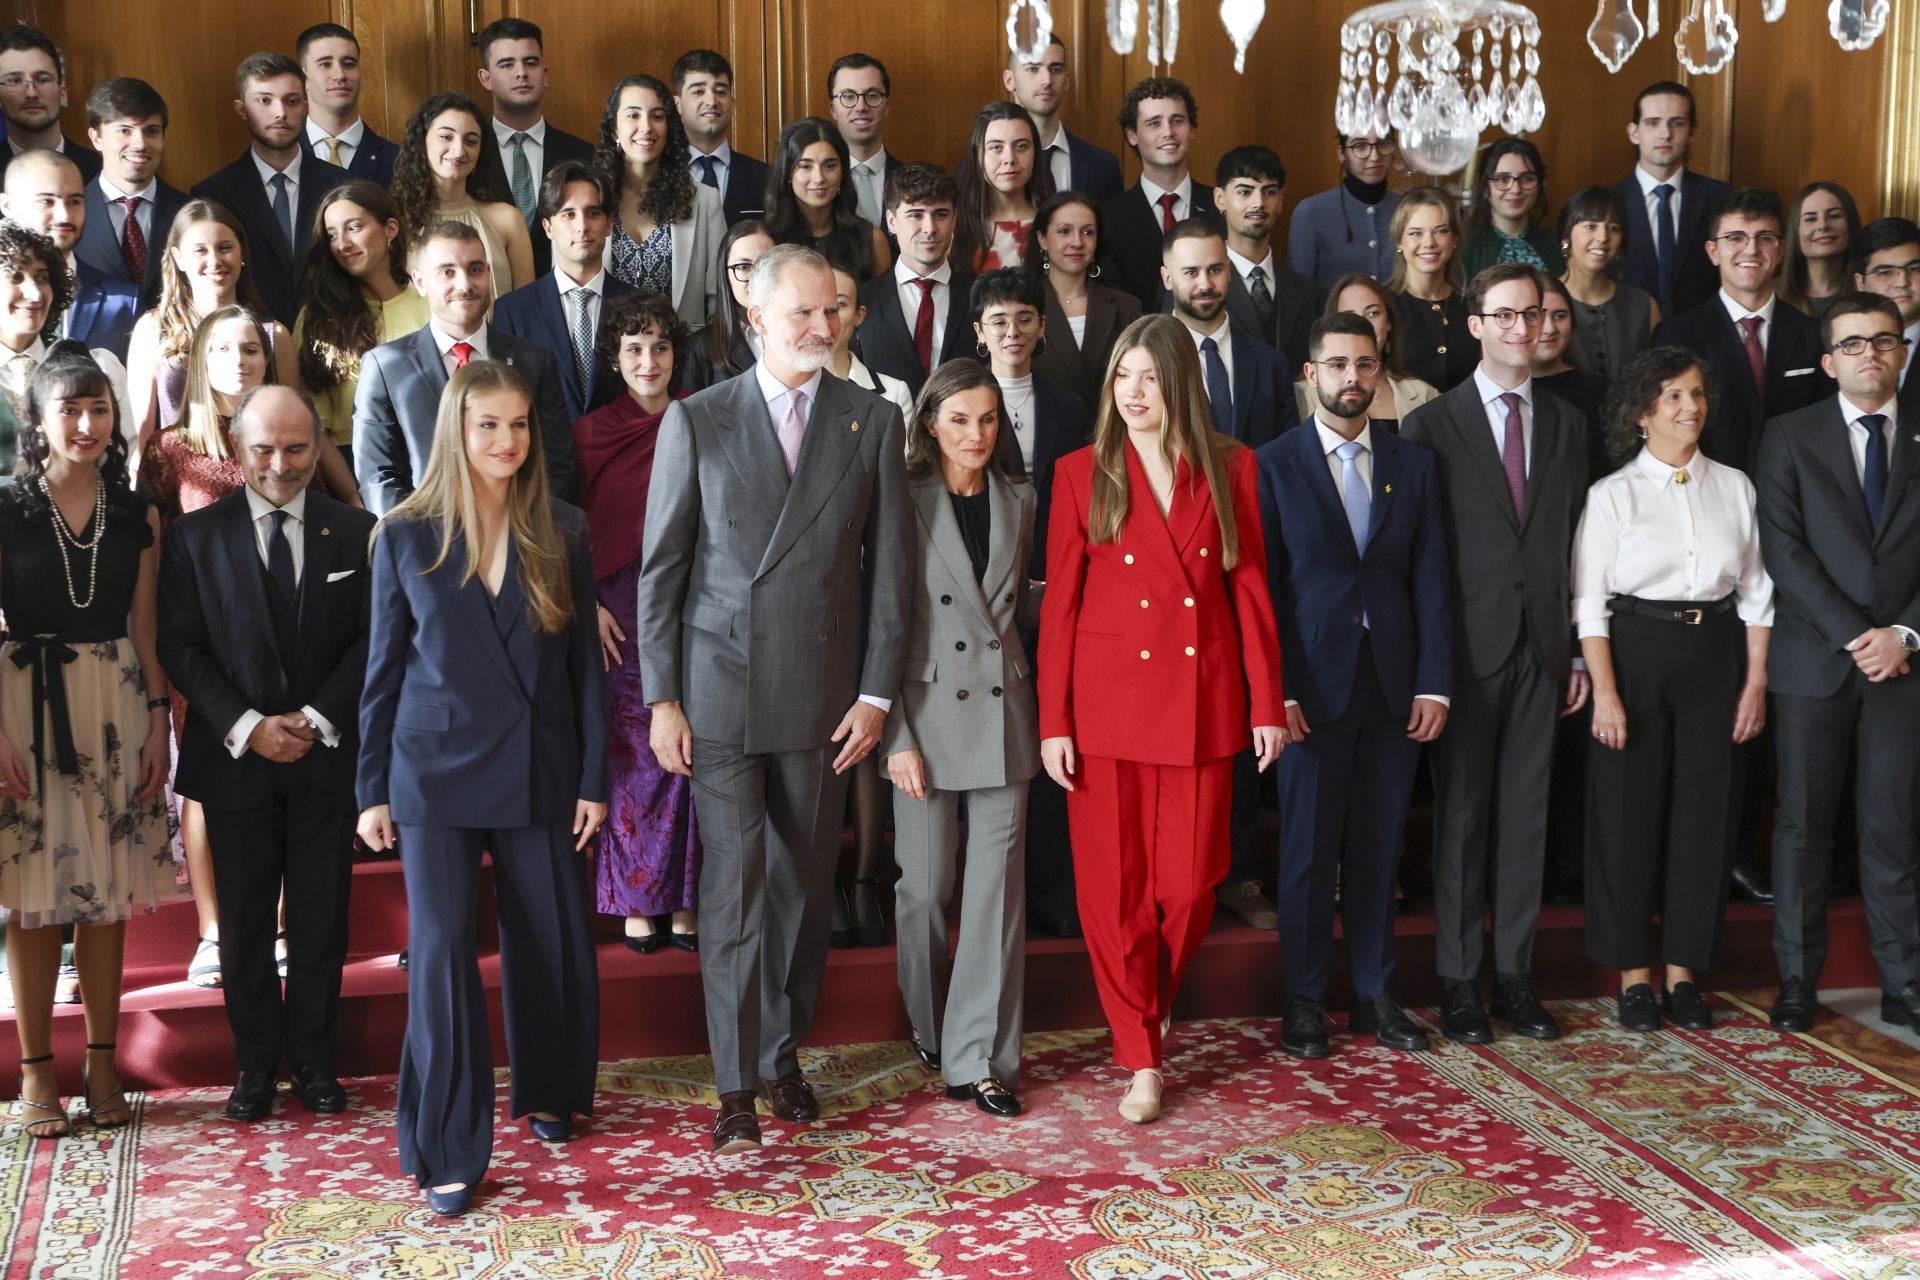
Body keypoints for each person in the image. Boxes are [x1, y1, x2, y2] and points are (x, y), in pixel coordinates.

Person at [635, 244, 912, 1155]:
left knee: (799, 892)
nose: (821, 329)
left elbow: (890, 579)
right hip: (719, 696)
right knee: (735, 888)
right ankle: (734, 1084)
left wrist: (876, 696)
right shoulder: (698, 420)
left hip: (825, 700)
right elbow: (662, 574)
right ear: (753, 316)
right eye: (800, 314)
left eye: (831, 311)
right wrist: (663, 698)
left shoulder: (871, 421)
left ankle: (783, 1055)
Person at [356, 359, 604, 1214]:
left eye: (521, 424)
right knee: (442, 955)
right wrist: (371, 788)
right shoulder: (405, 533)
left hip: (539, 761)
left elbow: (583, 678)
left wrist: (595, 779)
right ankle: (451, 1145)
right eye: (489, 425)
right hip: (434, 771)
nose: (508, 440)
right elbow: (382, 673)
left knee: (553, 936)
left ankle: (549, 1091)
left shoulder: (563, 529)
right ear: (457, 432)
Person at [1038, 313, 1283, 1123]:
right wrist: (1054, 721)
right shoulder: (1081, 471)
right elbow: (1060, 610)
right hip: (1105, 707)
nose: (1133, 393)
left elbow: (1249, 590)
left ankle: (1150, 999)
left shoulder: (1232, 465)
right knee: (1113, 895)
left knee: (1187, 883)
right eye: (1122, 377)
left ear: (1179, 381)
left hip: (1201, 705)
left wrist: (1266, 699)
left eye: (1147, 377)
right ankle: (1141, 1055)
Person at [156, 384, 374, 1119]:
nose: (280, 465)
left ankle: (314, 1060)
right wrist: (249, 724)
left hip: (324, 756)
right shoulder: (193, 537)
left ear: (319, 446)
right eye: (263, 449)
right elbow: (179, 647)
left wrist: (313, 718)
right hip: (235, 758)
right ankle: (254, 1066)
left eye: (296, 448)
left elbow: (373, 640)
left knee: (321, 918)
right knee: (245, 922)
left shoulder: (356, 532)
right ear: (236, 446)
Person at [1401, 262, 1591, 1045]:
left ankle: (1514, 978)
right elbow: (1419, 561)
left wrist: (1577, 652)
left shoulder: (1573, 424)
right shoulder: (1431, 425)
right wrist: (1430, 671)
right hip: (1466, 654)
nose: (1524, 329)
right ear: (1475, 324)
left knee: (1527, 820)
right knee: (1465, 820)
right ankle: (1458, 983)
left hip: (1544, 649)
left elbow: (1579, 546)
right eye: (1506, 316)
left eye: (1536, 316)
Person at [1255, 312, 1452, 1058]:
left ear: (1381, 373)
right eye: (1336, 365)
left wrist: (1435, 682)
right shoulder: (1273, 464)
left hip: (1395, 686)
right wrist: (1277, 690)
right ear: (1311, 375)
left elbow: (1431, 579)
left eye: (1364, 366)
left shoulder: (1414, 463)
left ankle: (1374, 994)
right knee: (1307, 852)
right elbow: (1265, 588)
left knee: (1379, 846)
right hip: (1309, 690)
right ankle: (1304, 1001)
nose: (1351, 379)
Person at [0, 343, 173, 1140]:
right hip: (23, 705)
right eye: (69, 408)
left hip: (115, 700)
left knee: (106, 898)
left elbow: (145, 624)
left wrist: (158, 724)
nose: (87, 423)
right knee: (32, 904)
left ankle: (103, 1065)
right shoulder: (6, 505)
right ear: (37, 420)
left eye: (99, 407)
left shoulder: (139, 512)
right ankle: (38, 1075)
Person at [1574, 346, 1772, 1032]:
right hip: (1636, 650)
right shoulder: (1612, 496)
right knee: (1628, 813)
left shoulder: (1736, 486)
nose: (1692, 408)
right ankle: (1633, 975)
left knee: (1705, 813)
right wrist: (1605, 692)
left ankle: (1686, 973)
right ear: (1642, 414)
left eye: (1697, 394)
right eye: (1675, 398)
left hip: (1716, 651)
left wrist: (1755, 683)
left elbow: (1757, 595)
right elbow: (1589, 605)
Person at [1759, 293, 1920, 1035]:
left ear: (1902, 353)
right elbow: (1783, 551)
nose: (1869, 354)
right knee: (1803, 828)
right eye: (1852, 344)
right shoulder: (1788, 435)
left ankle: (1904, 985)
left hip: (1904, 668)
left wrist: (1905, 635)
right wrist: (1859, 635)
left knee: (1892, 827)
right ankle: (1797, 981)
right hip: (1816, 661)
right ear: (1828, 362)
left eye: (1882, 341)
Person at [883, 359, 1041, 1116]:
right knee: (924, 891)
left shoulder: (1023, 498)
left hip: (1005, 713)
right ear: (929, 425)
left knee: (995, 898)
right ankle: (931, 1018)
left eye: (987, 420)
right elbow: (883, 626)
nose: (976, 435)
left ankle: (979, 1057)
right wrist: (895, 736)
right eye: (958, 420)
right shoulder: (902, 501)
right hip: (924, 717)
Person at [574, 293, 699, 955]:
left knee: (689, 748)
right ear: (615, 360)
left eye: (659, 346)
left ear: (676, 352)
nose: (648, 361)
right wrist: (584, 602)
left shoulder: (701, 418)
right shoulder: (591, 432)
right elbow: (569, 527)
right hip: (615, 611)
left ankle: (685, 900)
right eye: (633, 349)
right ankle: (635, 902)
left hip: (690, 600)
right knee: (635, 756)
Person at [353, 219, 575, 513]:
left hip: (519, 540)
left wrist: (520, 535)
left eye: (474, 269)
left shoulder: (534, 361)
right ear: (420, 282)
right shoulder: (385, 367)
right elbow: (377, 476)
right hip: (425, 545)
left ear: (488, 273)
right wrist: (418, 543)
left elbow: (556, 466)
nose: (464, 284)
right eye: (447, 272)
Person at [1651, 188, 1830, 476]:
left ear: (1781, 250)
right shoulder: (1676, 336)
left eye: (1765, 238)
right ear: (1713, 251)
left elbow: (1825, 427)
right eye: (1736, 238)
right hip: (1707, 497)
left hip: (1795, 498)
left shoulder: (1814, 334)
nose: (1751, 250)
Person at [191, 53, 351, 330]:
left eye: (291, 101)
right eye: (264, 101)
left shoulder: (343, 185)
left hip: (335, 338)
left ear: (305, 105)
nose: (280, 113)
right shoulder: (213, 194)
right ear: (241, 109)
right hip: (250, 344)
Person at [123, 199, 300, 445]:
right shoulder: (153, 329)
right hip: (176, 477)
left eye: (225, 247)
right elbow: (142, 436)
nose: (215, 260)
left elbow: (295, 425)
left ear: (242, 254)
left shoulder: (274, 334)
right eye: (200, 250)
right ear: (178, 258)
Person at [293, 182, 428, 468]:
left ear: (390, 229)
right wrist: (352, 494)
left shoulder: (431, 303)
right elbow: (315, 425)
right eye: (332, 235)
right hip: (350, 467)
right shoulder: (317, 317)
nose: (342, 244)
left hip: (433, 462)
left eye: (353, 228)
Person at [493, 161, 634, 422]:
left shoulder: (638, 304)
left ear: (608, 224)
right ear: (548, 227)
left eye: (593, 213)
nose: (582, 226)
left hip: (621, 453)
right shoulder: (513, 311)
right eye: (568, 214)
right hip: (544, 457)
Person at [592, 74, 726, 332]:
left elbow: (718, 301)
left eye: (657, 116)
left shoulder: (705, 201)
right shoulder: (592, 199)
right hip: (605, 358)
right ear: (614, 129)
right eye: (633, 115)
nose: (646, 127)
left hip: (684, 359)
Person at [474, 17, 596, 277]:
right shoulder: (468, 153)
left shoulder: (585, 156)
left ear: (544, 74)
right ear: (486, 78)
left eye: (531, 62)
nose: (521, 73)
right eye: (507, 64)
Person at [1161, 220, 1293, 448]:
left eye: (1215, 270)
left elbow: (1288, 455)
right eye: (1191, 272)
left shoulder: (1271, 363)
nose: (1205, 284)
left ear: (1229, 271)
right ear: (1167, 278)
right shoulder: (1147, 363)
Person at [388, 91, 533, 299]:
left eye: (471, 141)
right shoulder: (395, 221)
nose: (458, 150)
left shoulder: (507, 219)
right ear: (421, 143)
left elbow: (526, 310)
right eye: (446, 137)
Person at [1612, 81, 1732, 322]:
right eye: (1653, 122)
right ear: (1634, 133)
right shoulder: (1610, 204)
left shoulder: (1722, 199)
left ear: (1692, 132)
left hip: (1705, 342)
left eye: (1676, 123)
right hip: (1630, 343)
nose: (1665, 133)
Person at [4, 149, 139, 361]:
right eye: (47, 201)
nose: (64, 215)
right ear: (8, 206)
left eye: (74, 201)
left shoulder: (125, 302)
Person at [857, 163, 971, 397]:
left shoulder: (979, 298)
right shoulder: (862, 300)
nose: (929, 228)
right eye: (915, 215)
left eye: (940, 214)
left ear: (955, 220)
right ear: (891, 221)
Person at [1025, 191, 1143, 412]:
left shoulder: (1127, 307)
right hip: (1046, 436)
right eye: (1064, 232)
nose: (1077, 242)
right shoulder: (1021, 305)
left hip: (1111, 437)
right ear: (1042, 239)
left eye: (1088, 232)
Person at [77, 78, 187, 312]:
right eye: (124, 130)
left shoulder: (189, 212)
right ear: (96, 138)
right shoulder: (70, 212)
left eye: (151, 131)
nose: (140, 143)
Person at [1103, 78, 1213, 309]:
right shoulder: (1109, 218)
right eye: (1154, 123)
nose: (1168, 132)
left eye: (1177, 121)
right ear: (1132, 135)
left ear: (1191, 128)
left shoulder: (1221, 207)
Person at [1211, 144, 1322, 374]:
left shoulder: (1311, 294)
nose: (1258, 203)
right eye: (1244, 192)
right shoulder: (1196, 287)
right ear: (1220, 199)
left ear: (1281, 200)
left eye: (1269, 192)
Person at [1299, 273, 1437, 429]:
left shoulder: (1425, 395)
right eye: (1348, 315)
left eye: (1373, 313)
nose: (1362, 322)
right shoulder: (1300, 395)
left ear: (1389, 322)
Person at [764, 117, 889, 281]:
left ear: (843, 172)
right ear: (788, 173)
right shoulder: (768, 239)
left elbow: (884, 305)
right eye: (805, 166)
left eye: (830, 166)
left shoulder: (871, 240)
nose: (819, 178)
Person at [1558, 184, 1659, 384]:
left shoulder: (1644, 305)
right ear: (1565, 237)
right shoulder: (1543, 300)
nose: (1603, 237)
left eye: (1613, 228)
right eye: (1590, 226)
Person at [1004, 36, 1121, 205]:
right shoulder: (980, 166)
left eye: (1055, 69)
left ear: (1066, 81)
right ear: (1010, 80)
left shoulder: (1103, 167)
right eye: (1033, 69)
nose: (1046, 80)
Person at [1288, 131, 1403, 292]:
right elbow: (1299, 294)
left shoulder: (1407, 208)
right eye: (1360, 146)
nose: (1375, 156)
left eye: (1383, 143)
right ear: (1342, 153)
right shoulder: (1310, 212)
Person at [1388, 187, 1474, 391]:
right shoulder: (1382, 306)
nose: (1429, 243)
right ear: (1399, 240)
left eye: (1441, 231)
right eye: (1415, 233)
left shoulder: (1473, 305)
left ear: (1454, 239)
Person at [672, 49, 771, 227]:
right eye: (698, 92)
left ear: (732, 104)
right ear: (677, 104)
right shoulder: (659, 176)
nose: (712, 100)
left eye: (720, 91)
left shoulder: (767, 178)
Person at [953, 101, 1050, 274]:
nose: (1010, 158)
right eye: (996, 147)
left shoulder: (1054, 223)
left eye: (1021, 146)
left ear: (1035, 152)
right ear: (977, 155)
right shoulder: (954, 226)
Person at [296, 23, 398, 185]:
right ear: (303, 79)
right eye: (325, 64)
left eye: (349, 64)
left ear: (362, 77)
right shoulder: (279, 155)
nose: (340, 75)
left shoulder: (399, 162)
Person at [0, 24, 99, 183]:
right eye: (15, 81)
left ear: (63, 93)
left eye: (43, 79)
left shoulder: (101, 172)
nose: (31, 93)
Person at [1532, 276, 1610, 477]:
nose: (1549, 328)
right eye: (1537, 316)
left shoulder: (1601, 393)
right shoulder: (1501, 394)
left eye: (1560, 316)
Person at [683, 218, 773, 390]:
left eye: (766, 264)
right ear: (725, 274)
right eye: (743, 267)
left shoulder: (803, 332)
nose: (756, 277)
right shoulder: (700, 348)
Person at [1462, 138, 1561, 281]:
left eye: (1527, 178)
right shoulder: (1465, 246)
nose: (1515, 189)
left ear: (1539, 185)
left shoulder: (1556, 243)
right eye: (1503, 179)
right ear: (1485, 188)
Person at [1853, 217, 1920, 422]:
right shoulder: (1840, 344)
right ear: (1861, 282)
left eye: (1914, 269)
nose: (1902, 282)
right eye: (1886, 272)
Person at [827, 264, 911, 416]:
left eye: (840, 304)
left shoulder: (894, 394)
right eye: (813, 306)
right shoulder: (782, 386)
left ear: (859, 315)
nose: (827, 316)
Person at [827, 53, 899, 228]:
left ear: (886, 107)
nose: (861, 106)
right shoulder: (814, 183)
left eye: (872, 95)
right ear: (833, 109)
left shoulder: (910, 179)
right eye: (848, 96)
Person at [1781, 182, 1862, 320]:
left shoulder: (1868, 290)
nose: (1823, 225)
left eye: (1834, 216)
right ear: (1796, 232)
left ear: (1850, 224)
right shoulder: (1772, 295)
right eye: (1811, 218)